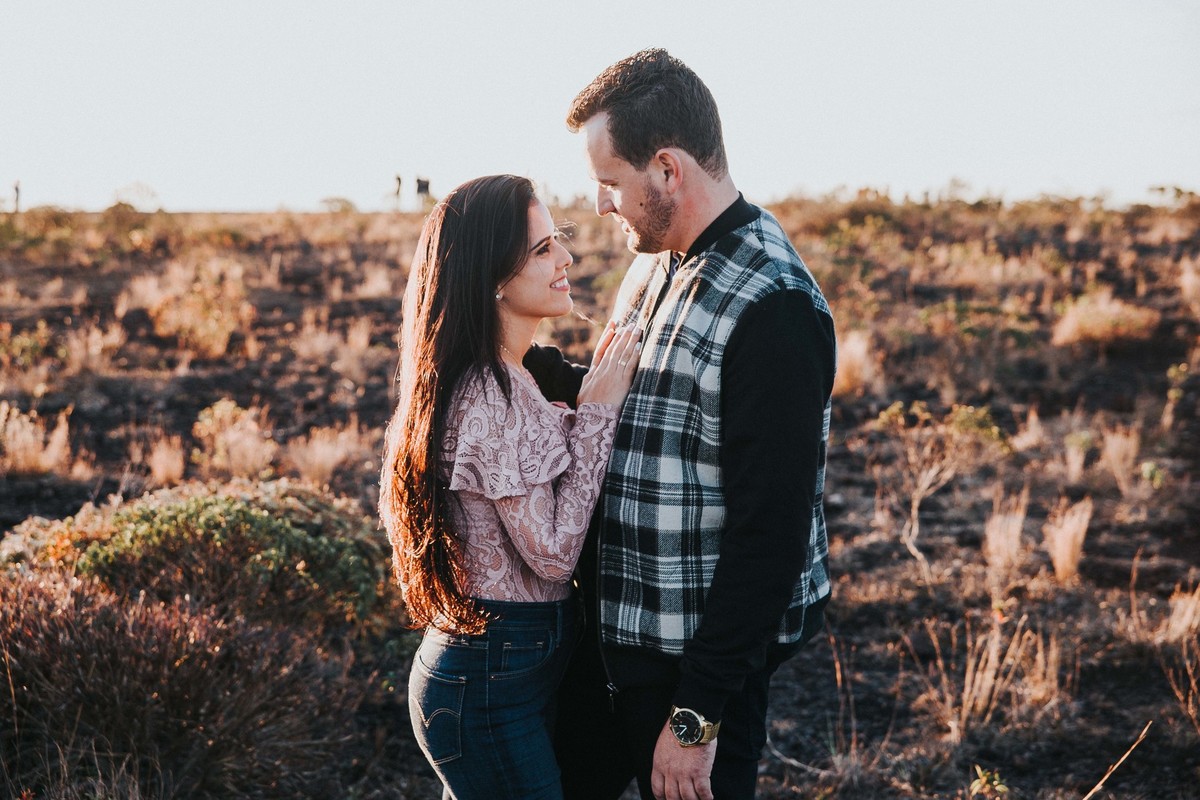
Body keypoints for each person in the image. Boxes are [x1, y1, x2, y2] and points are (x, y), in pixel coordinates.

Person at [525, 49, 837, 800]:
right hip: (616, 641)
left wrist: (696, 718)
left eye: (610, 182)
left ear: (667, 169)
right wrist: (519, 364)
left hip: (694, 671)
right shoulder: (657, 259)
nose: (601, 205)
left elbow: (771, 536)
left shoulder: (777, 308)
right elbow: (643, 404)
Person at [378, 174, 642, 800]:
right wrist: (599, 413)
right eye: (544, 249)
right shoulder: (490, 395)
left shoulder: (508, 378)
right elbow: (551, 555)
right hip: (488, 684)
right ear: (494, 274)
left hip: (499, 676)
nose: (566, 259)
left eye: (559, 242)